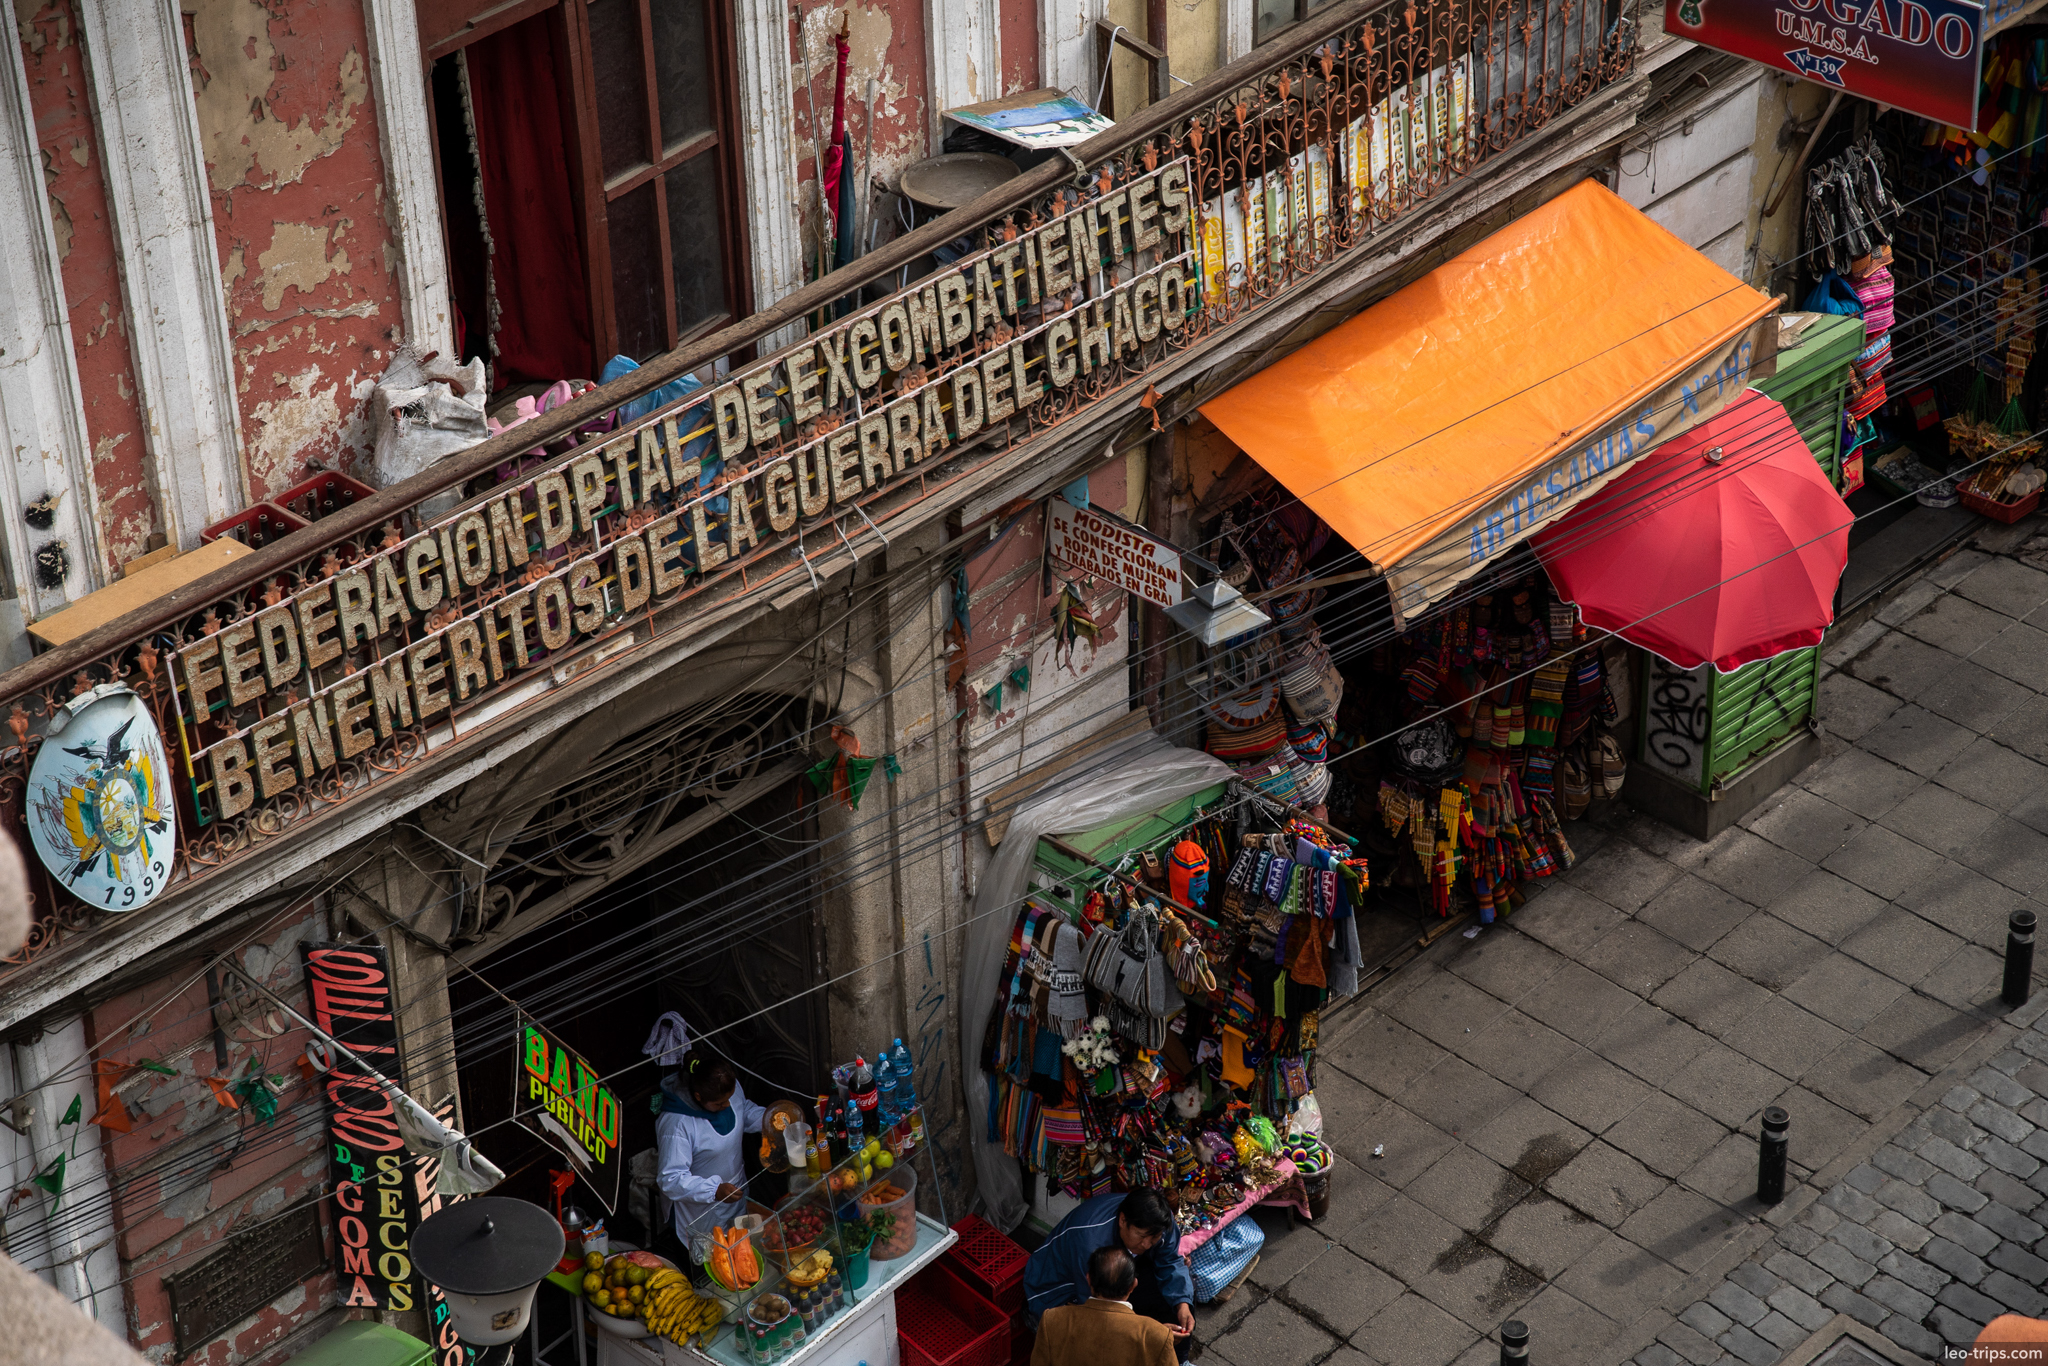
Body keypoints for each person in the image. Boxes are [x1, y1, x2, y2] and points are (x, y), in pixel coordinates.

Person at [1023, 1188, 1195, 1361]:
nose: (1146, 1245)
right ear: (1122, 1220)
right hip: (1059, 1292)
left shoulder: (1161, 1224)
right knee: (1099, 1348)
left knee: (1178, 1298)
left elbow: (1170, 1261)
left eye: (1153, 1239)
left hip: (1103, 1283)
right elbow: (1098, 1313)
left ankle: (1181, 1362)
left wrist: (1183, 1304)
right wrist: (1152, 1335)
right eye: (1141, 1236)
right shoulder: (1090, 1244)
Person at [654, 1048, 767, 1256]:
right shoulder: (677, 1125)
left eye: (729, 1099)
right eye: (719, 1104)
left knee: (739, 1254)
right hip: (699, 1212)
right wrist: (714, 1190)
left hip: (735, 1196)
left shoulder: (727, 1090)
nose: (727, 1105)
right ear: (698, 1096)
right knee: (712, 1264)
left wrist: (771, 1119)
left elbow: (744, 1111)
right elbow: (670, 1178)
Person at [1031, 1246, 1177, 1366]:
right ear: (1133, 1285)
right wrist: (1156, 1334)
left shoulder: (1052, 1320)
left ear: (1088, 1279)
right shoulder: (1158, 1336)